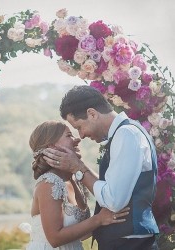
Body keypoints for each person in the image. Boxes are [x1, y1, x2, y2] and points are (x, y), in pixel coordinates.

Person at [43, 85, 159, 250]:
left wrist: (79, 168)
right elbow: (112, 188)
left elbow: (114, 201)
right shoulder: (125, 133)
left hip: (129, 243)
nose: (81, 135)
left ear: (92, 114)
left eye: (78, 127)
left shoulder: (126, 135)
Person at [24, 120, 129, 250]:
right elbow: (54, 238)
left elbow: (80, 234)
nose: (77, 139)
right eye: (69, 136)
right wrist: (98, 219)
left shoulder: (74, 179)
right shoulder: (49, 183)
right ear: (52, 147)